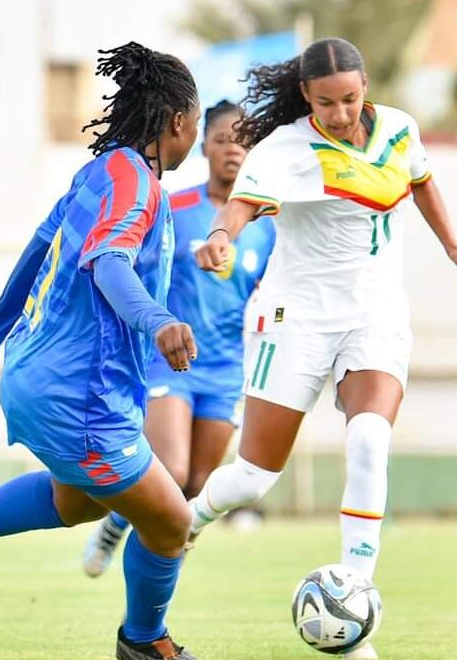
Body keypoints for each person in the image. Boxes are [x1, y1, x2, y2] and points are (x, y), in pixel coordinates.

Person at [0, 42, 203, 660]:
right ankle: (144, 644)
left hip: (39, 375)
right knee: (170, 523)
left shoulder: (99, 173)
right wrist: (158, 319)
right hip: (78, 393)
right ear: (176, 122)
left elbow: (37, 251)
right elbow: (109, 259)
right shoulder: (137, 187)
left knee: (75, 500)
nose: (193, 136)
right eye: (194, 125)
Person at [186, 38, 457, 660]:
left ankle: (355, 601)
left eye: (351, 99)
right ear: (307, 96)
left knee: (369, 439)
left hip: (374, 315)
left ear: (366, 86)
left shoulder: (400, 129)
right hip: (293, 316)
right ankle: (186, 519)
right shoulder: (285, 149)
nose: (342, 113)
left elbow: (423, 181)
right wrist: (220, 236)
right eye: (327, 102)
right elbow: (242, 205)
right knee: (252, 478)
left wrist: (453, 246)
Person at [82, 100, 276, 577]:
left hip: (226, 367)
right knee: (170, 468)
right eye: (223, 140)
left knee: (194, 487)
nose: (234, 150)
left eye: (244, 142)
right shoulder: (174, 207)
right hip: (168, 361)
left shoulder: (268, 226)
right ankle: (118, 533)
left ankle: (129, 540)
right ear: (204, 145)